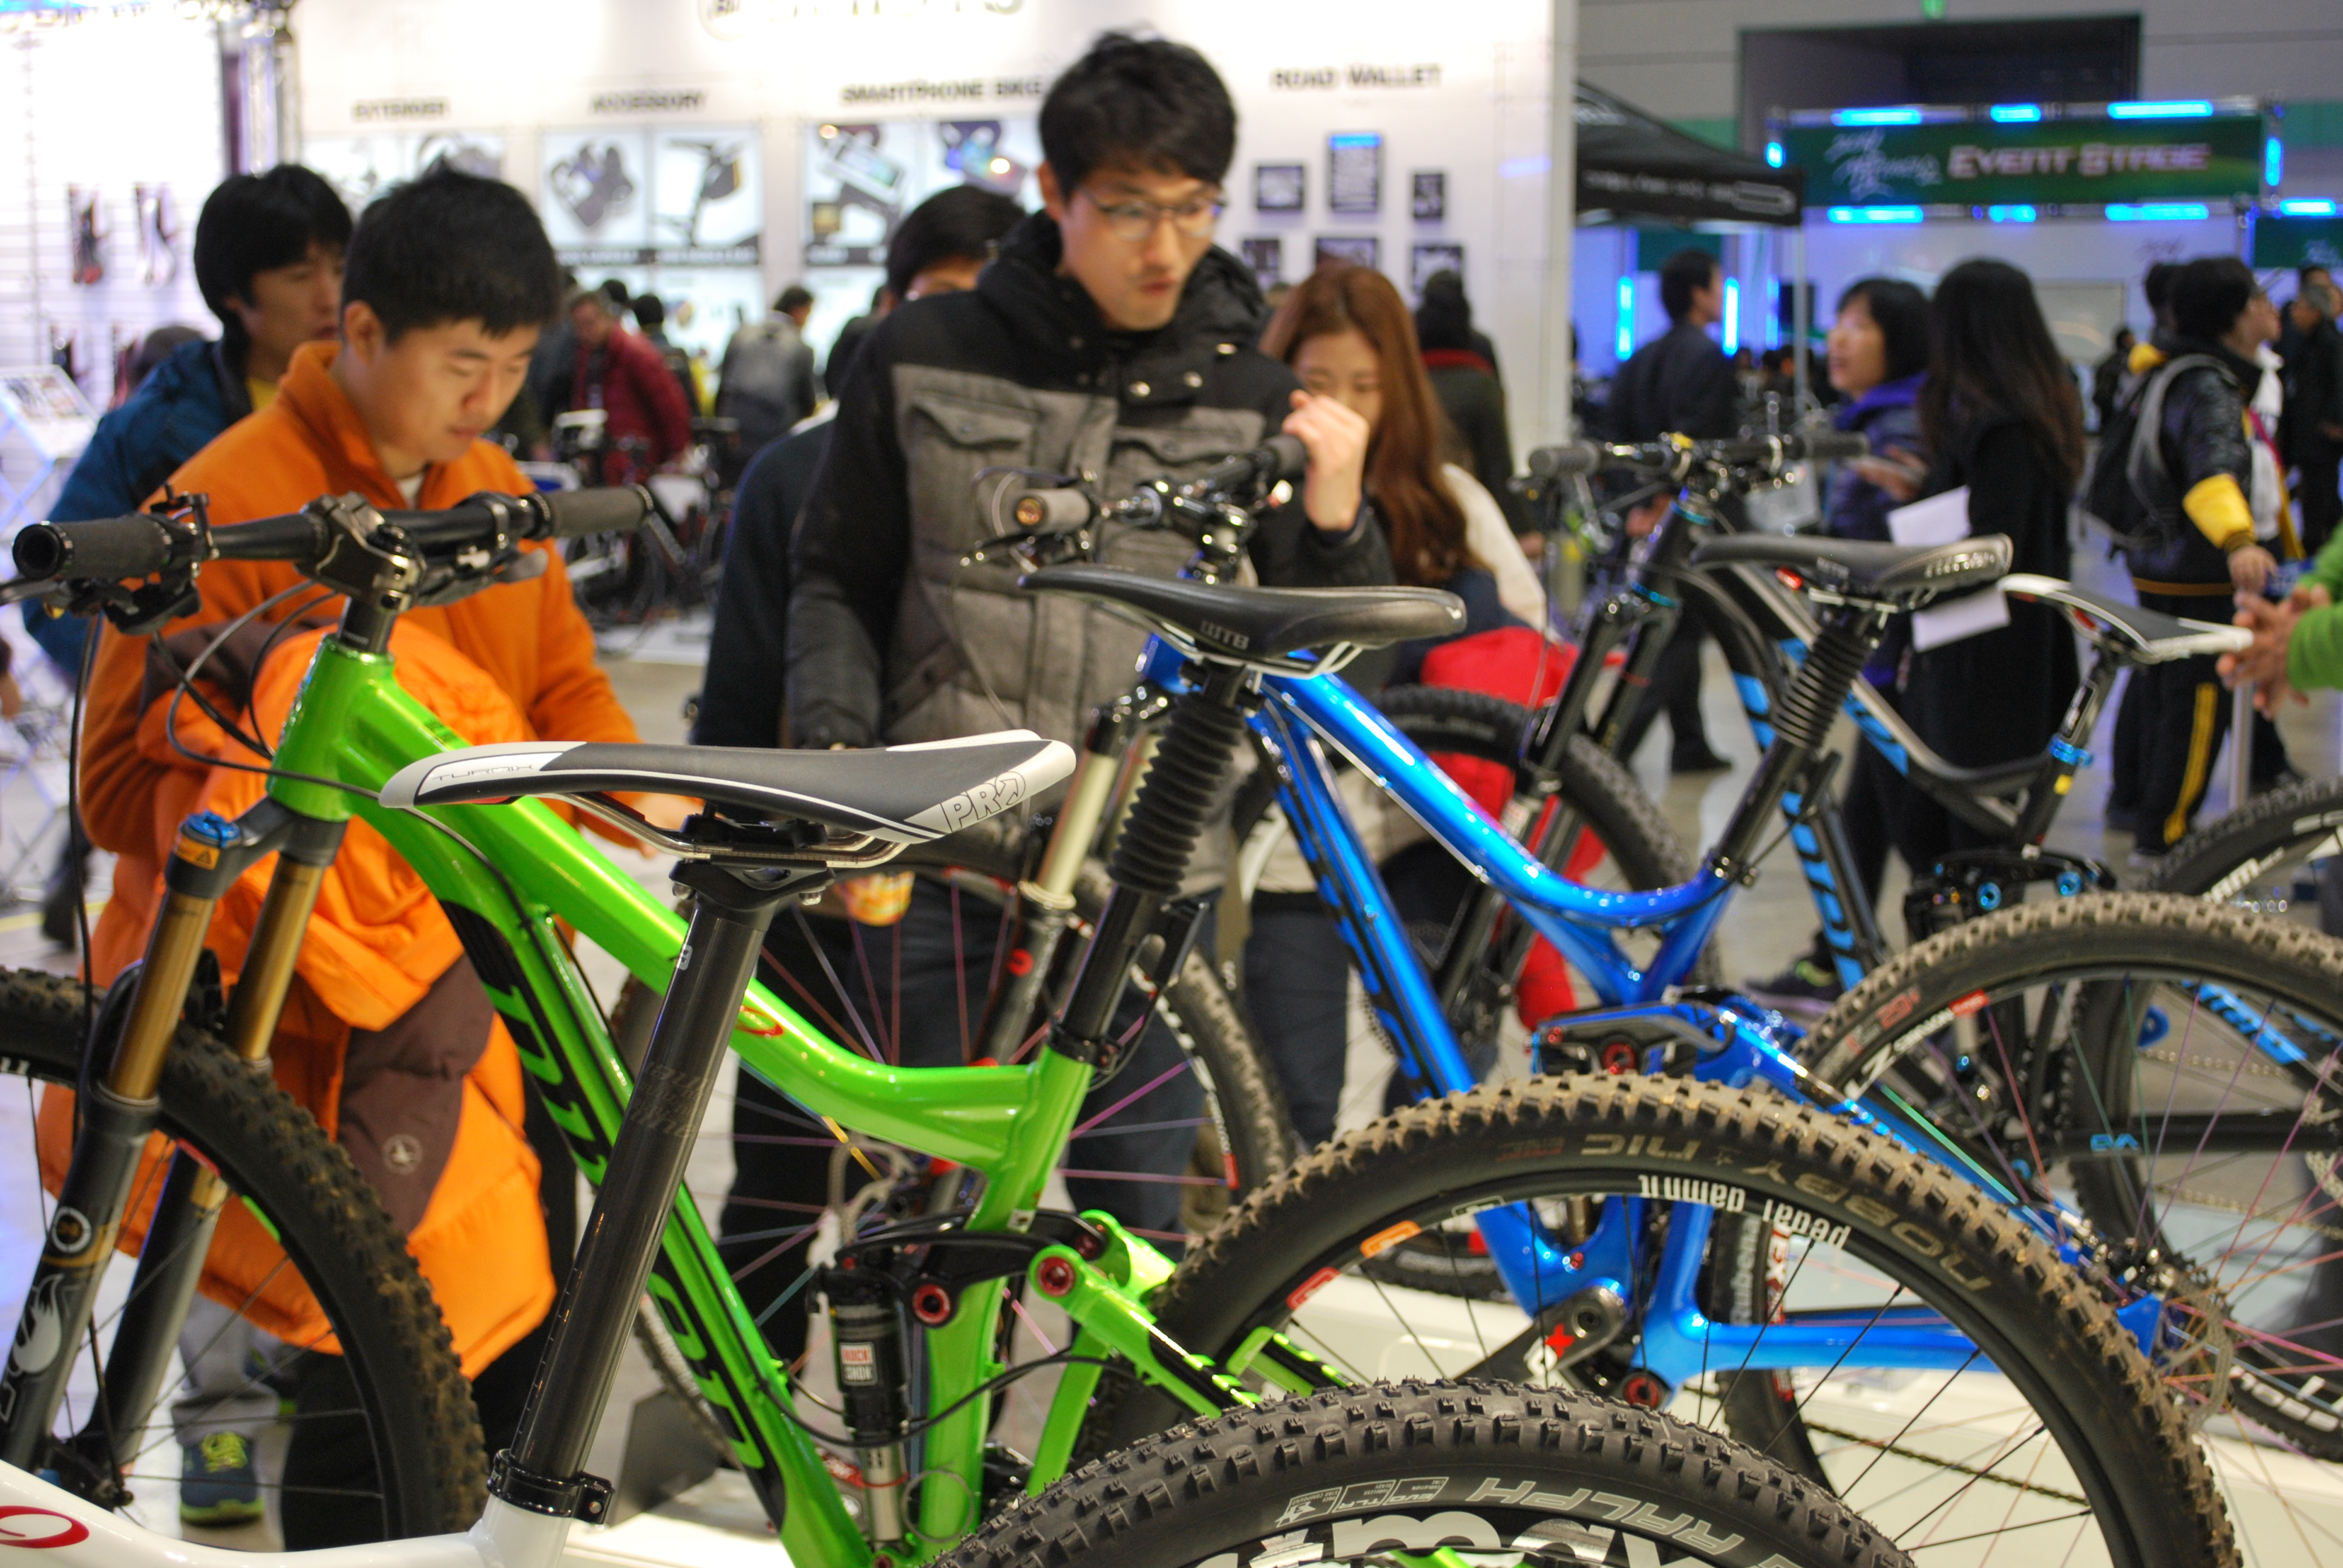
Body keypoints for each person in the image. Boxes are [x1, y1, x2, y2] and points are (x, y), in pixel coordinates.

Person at [732, 31, 1384, 1362]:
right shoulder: (919, 352)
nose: (1166, 246)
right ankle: (918, 1461)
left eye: (1192, 208)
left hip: (1148, 882)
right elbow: (836, 579)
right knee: (926, 1222)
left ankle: (1117, 1472)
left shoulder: (1256, 396)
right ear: (1054, 194)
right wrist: (846, 772)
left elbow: (1326, 671)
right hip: (938, 859)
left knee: (1133, 1237)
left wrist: (1338, 525)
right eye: (1130, 209)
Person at [63, 168, 662, 1547]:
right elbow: (112, 792)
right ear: (363, 329)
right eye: (463, 363)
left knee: (520, 1338)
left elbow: (566, 687)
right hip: (303, 1018)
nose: (490, 400)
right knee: (362, 1367)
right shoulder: (226, 501)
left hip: (498, 989)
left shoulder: (496, 492)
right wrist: (311, 819)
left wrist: (634, 806)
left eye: (514, 366)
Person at [1242, 262, 1544, 1144]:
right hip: (1292, 840)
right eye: (1316, 380)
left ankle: (1416, 1216)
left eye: (1365, 385)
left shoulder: (1449, 501)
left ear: (1400, 388)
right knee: (1292, 1102)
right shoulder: (1250, 509)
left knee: (1442, 1085)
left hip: (1435, 831)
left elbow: (1527, 649)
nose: (1340, 406)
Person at [693, 184, 1024, 751]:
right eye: (942, 301)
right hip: (839, 782)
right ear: (891, 309)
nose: (970, 332)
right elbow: (741, 689)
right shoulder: (791, 474)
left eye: (992, 309)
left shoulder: (1045, 480)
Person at [1751, 276, 1930, 1007]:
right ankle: (1835, 960)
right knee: (1867, 811)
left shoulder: (1904, 424)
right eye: (1837, 323)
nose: (1838, 339)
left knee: (1913, 831)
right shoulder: (1869, 418)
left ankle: (1941, 981)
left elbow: (1893, 532)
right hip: (1880, 654)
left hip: (1901, 650)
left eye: (1858, 324)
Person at [2103, 257, 2278, 862]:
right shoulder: (2208, 384)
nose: (2270, 309)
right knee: (2197, 702)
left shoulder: (2166, 367)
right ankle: (2167, 837)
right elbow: (2212, 472)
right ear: (2235, 316)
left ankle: (2136, 807)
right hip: (2196, 570)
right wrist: (2239, 542)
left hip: (2158, 561)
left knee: (2157, 688)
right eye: (2258, 299)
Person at [1606, 246, 1735, 773]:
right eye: (1718, 285)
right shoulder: (1708, 358)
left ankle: (1690, 742)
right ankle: (1613, 749)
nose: (1722, 295)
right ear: (1698, 294)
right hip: (1684, 517)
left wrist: (1636, 504)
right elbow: (1701, 442)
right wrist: (1666, 504)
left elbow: (1614, 438)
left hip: (1645, 514)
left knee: (1677, 623)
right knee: (1679, 633)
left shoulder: (1640, 357)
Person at [1414, 269, 1524, 532]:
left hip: (1418, 492)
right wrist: (1519, 525)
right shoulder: (1480, 362)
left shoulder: (1412, 351)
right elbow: (1497, 462)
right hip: (1470, 495)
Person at [563, 285, 692, 484]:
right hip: (609, 464)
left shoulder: (635, 352)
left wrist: (678, 453)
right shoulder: (588, 356)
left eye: (589, 323)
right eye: (579, 327)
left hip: (639, 464)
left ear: (605, 316)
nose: (585, 333)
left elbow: (669, 405)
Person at [2279, 274, 2343, 554]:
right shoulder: (2307, 341)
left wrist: (2335, 422)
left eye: (2300, 306)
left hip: (2321, 439)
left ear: (2316, 311)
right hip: (2308, 437)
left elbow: (2339, 384)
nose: (2294, 312)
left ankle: (2317, 553)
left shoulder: (2330, 342)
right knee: (2319, 498)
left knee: (2320, 499)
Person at [715, 282, 818, 455]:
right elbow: (807, 401)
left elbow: (723, 386)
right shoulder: (801, 346)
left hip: (736, 432)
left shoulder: (740, 335)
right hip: (778, 435)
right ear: (799, 310)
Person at [631, 290, 704, 416]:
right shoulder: (680, 355)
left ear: (637, 319)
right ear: (664, 317)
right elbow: (693, 406)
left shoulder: (634, 358)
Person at [2093, 325, 2137, 431]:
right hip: (2120, 412)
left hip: (2106, 410)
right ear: (2125, 341)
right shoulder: (2129, 363)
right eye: (2131, 339)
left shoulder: (2107, 362)